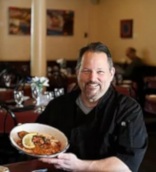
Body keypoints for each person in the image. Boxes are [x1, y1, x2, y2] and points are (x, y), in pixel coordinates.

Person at [36, 42, 147, 172]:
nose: (93, 78)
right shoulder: (58, 105)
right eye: (86, 71)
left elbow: (127, 165)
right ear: (77, 73)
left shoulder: (128, 110)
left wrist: (78, 166)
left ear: (111, 74)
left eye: (100, 72)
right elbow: (36, 140)